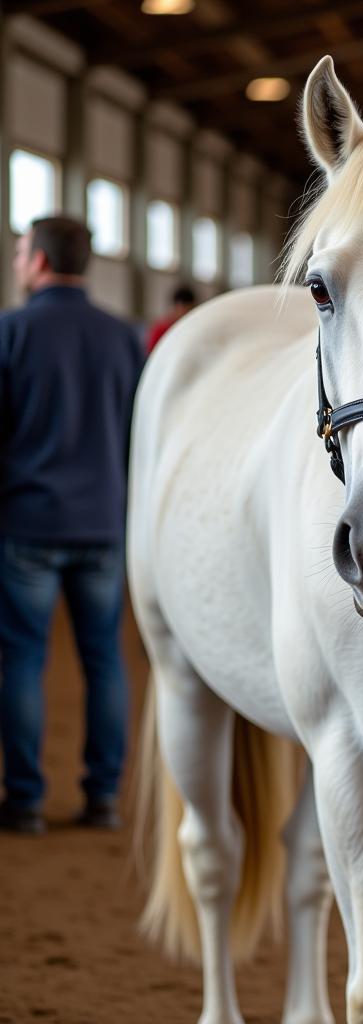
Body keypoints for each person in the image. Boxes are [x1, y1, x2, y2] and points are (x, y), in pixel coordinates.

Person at [0, 216, 144, 834]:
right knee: (104, 659)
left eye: (17, 253)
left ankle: (27, 800)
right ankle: (102, 796)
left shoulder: (11, 332)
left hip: (28, 522)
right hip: (103, 525)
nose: (14, 263)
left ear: (36, 261)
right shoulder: (122, 338)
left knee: (24, 660)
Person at [146, 283, 195, 355]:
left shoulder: (192, 328)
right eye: (183, 308)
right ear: (176, 306)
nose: (185, 313)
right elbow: (151, 353)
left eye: (189, 309)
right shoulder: (161, 329)